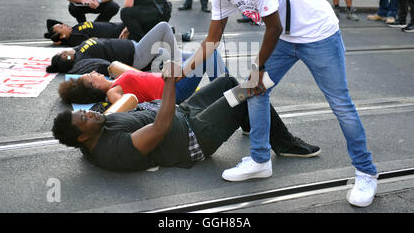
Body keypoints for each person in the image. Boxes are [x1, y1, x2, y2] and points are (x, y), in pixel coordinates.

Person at [179, 0, 378, 207]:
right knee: (254, 91)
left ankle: (366, 172)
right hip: (286, 39)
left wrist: (259, 69)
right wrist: (181, 70)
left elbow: (273, 27)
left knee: (341, 104)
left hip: (318, 34)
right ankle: (260, 160)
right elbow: (211, 41)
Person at [52, 75, 321, 173]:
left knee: (227, 82)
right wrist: (169, 82)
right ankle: (285, 144)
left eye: (85, 112)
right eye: (85, 119)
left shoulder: (91, 136)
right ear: (81, 138)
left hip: (185, 113)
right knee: (242, 93)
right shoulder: (113, 150)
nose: (91, 114)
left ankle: (247, 120)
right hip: (194, 135)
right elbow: (160, 127)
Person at [58, 46, 227, 104]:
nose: (94, 72)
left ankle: (228, 92)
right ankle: (229, 96)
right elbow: (126, 109)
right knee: (209, 52)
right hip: (175, 88)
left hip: (172, 78)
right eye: (90, 75)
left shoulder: (115, 80)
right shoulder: (112, 92)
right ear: (94, 86)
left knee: (205, 52)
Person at [46, 22, 182, 75]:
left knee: (190, 58)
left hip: (134, 46)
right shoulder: (81, 62)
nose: (64, 51)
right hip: (136, 55)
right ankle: (178, 65)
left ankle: (187, 60)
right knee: (164, 27)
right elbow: (108, 67)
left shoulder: (77, 50)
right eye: (63, 54)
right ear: (66, 58)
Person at [43, 19, 126, 47]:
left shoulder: (72, 29)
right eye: (61, 27)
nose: (64, 24)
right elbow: (95, 41)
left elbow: (49, 21)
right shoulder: (74, 38)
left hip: (119, 25)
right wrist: (57, 40)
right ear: (62, 36)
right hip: (121, 32)